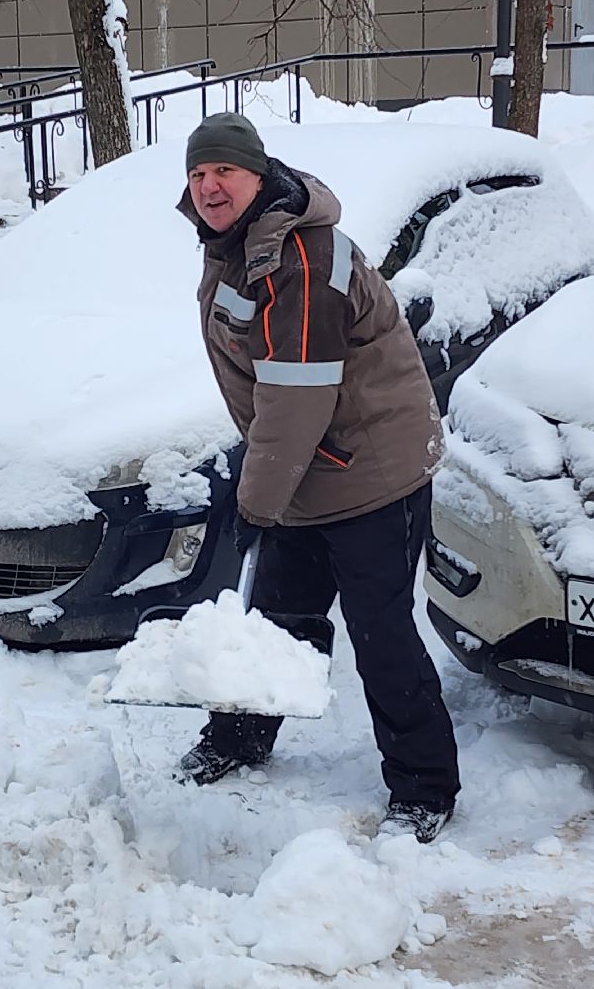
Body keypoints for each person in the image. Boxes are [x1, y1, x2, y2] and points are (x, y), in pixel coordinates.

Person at [173, 112, 461, 843]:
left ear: (256, 174)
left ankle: (425, 787)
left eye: (224, 173)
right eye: (199, 173)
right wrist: (273, 488)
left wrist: (256, 501)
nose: (209, 186)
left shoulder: (299, 258)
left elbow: (299, 394)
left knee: (381, 632)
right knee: (276, 617)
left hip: (372, 473)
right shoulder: (240, 241)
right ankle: (239, 737)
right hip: (312, 465)